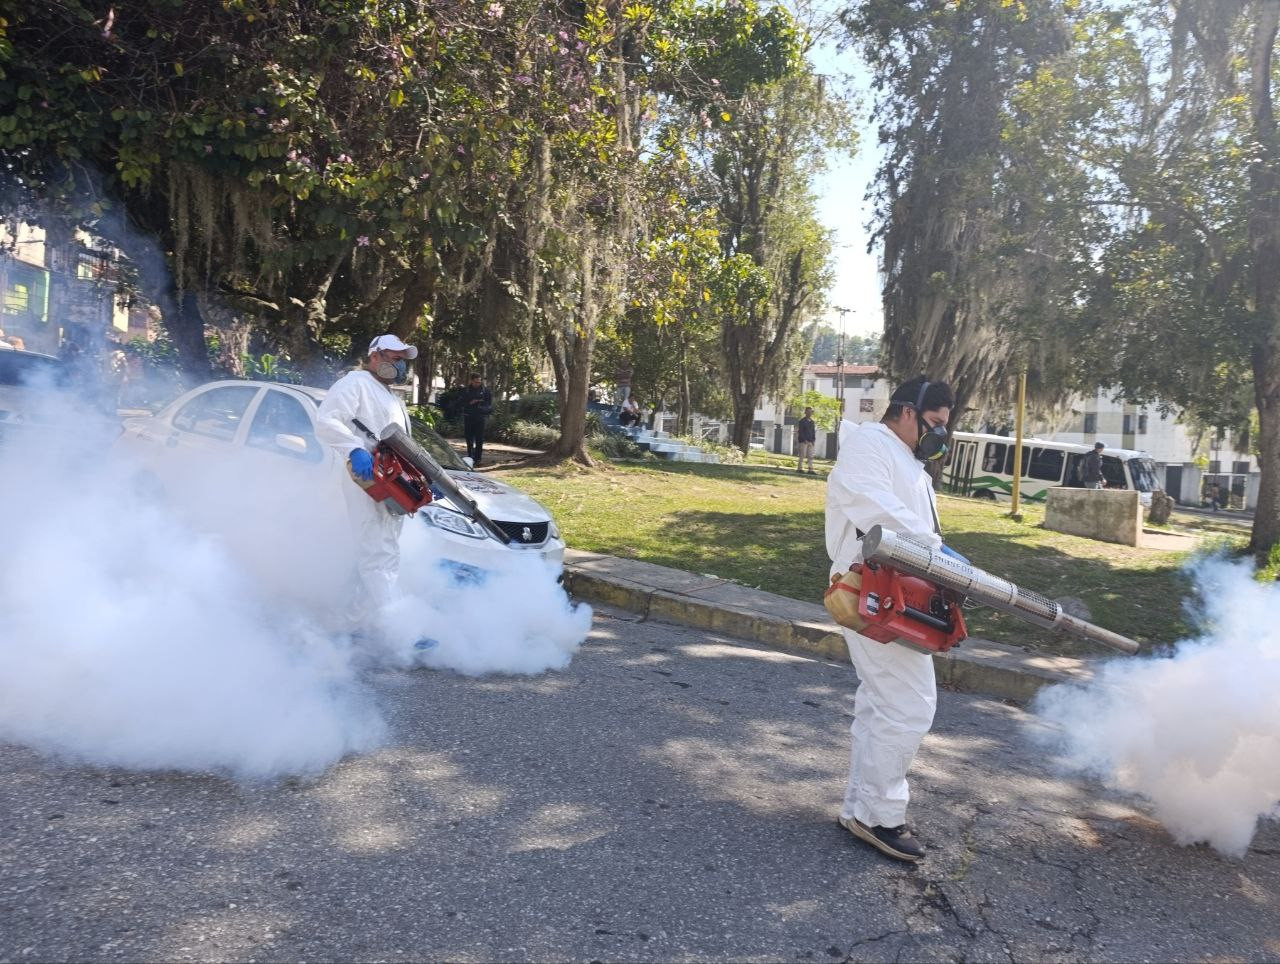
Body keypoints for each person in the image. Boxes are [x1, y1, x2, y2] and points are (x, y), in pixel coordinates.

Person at [825, 375, 959, 863]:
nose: (940, 435)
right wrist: (940, 554)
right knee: (909, 706)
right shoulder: (869, 447)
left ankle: (861, 808)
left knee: (882, 703)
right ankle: (879, 817)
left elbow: (914, 526)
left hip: (897, 589)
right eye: (934, 423)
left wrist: (944, 563)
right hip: (871, 589)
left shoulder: (906, 460)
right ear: (905, 413)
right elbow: (880, 514)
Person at [315, 333, 416, 633]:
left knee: (386, 548)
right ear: (375, 357)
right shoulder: (355, 384)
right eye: (395, 359)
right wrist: (354, 448)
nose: (401, 367)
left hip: (390, 480)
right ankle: (400, 633)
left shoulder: (392, 397)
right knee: (377, 550)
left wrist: (420, 477)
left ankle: (353, 622)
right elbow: (327, 420)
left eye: (403, 362)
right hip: (367, 478)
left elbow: (403, 444)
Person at [461, 372, 492, 466]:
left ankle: (478, 458)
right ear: (471, 381)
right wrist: (470, 403)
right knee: (469, 438)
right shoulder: (465, 391)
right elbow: (460, 403)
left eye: (479, 382)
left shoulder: (486, 391)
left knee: (479, 439)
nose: (478, 384)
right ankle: (470, 456)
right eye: (476, 382)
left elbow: (489, 404)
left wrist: (483, 406)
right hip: (469, 417)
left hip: (480, 417)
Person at [796, 406, 817, 474]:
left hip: (810, 441)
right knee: (802, 455)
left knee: (810, 456)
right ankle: (799, 469)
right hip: (803, 441)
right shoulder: (802, 421)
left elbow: (813, 432)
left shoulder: (812, 422)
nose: (809, 413)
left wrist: (813, 440)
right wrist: (804, 439)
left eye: (811, 412)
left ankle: (810, 469)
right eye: (808, 412)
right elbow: (800, 431)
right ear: (805, 412)